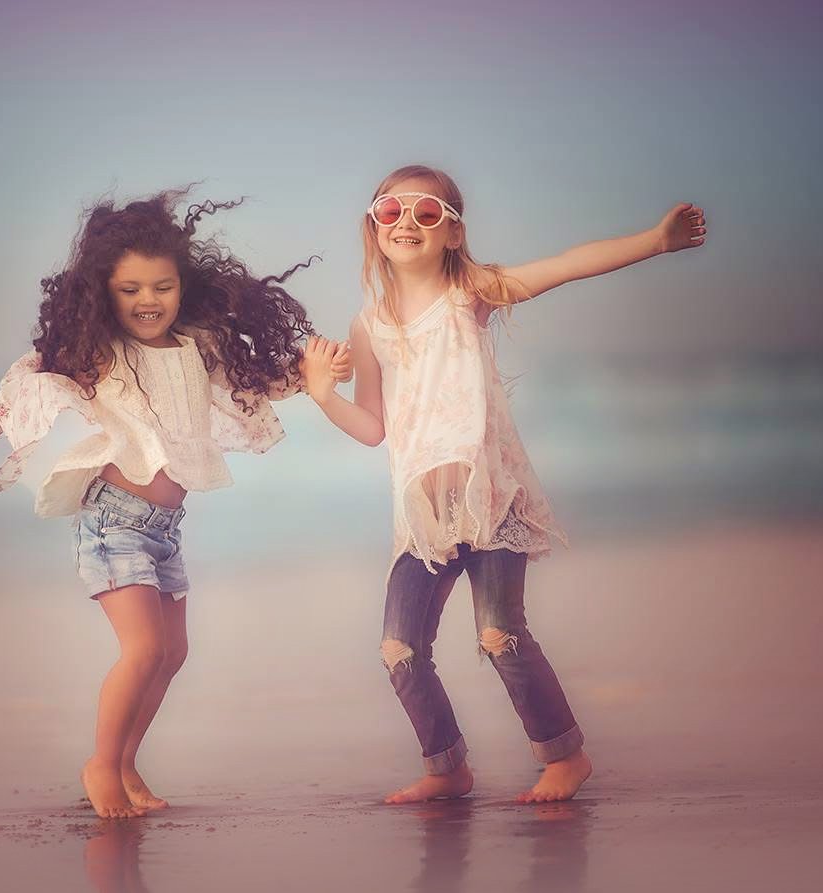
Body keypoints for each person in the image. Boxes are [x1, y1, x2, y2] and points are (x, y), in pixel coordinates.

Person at [0, 188, 351, 818]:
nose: (149, 300)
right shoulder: (95, 350)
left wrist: (316, 375)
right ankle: (100, 763)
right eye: (131, 289)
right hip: (112, 520)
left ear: (183, 286)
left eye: (163, 286)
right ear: (103, 291)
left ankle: (124, 761)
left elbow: (259, 382)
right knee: (142, 650)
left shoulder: (199, 346)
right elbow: (14, 396)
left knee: (172, 654)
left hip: (164, 527)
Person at [302, 164, 706, 804]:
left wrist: (655, 241)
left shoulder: (471, 292)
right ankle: (446, 768)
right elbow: (372, 428)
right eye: (391, 211)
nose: (406, 222)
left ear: (453, 231)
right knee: (399, 649)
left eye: (426, 212)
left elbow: (566, 265)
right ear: (373, 227)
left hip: (492, 498)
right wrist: (324, 394)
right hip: (424, 516)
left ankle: (564, 756)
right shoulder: (368, 324)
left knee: (499, 634)